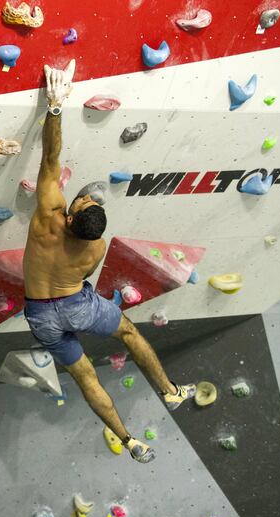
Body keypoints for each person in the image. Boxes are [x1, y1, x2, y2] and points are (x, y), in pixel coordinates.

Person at [22, 61, 196, 463]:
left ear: (69, 217)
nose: (81, 195)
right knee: (131, 335)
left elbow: (51, 157)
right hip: (77, 307)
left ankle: (130, 440)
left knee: (84, 375)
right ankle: (170, 392)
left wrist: (55, 105)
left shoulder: (50, 215)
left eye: (80, 198)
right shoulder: (95, 249)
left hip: (42, 315)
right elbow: (82, 276)